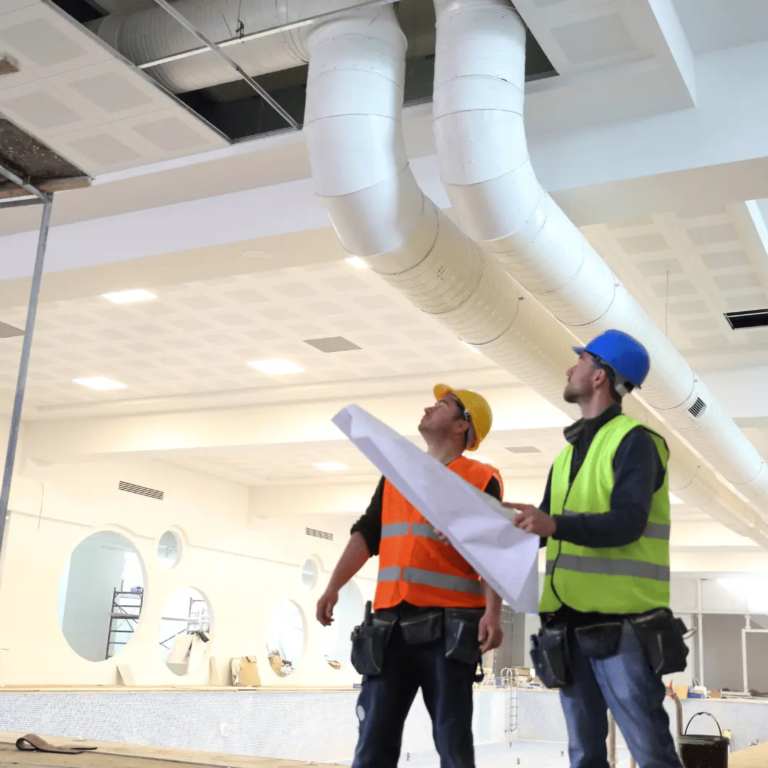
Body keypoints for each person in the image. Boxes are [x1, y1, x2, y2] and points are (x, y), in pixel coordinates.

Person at [506, 330, 686, 768]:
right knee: (584, 754)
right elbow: (542, 528)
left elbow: (628, 522)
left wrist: (554, 524)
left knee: (651, 752)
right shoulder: (565, 457)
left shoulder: (636, 441)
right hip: (566, 624)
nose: (571, 368)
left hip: (622, 625)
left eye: (581, 361)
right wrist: (480, 528)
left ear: (600, 375)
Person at [316, 384, 504, 768]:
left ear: (462, 426)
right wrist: (333, 586)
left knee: (453, 744)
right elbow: (368, 533)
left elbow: (493, 551)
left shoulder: (480, 478)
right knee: (373, 743)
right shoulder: (396, 472)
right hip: (389, 628)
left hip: (449, 629)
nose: (429, 408)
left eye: (443, 405)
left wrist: (493, 613)